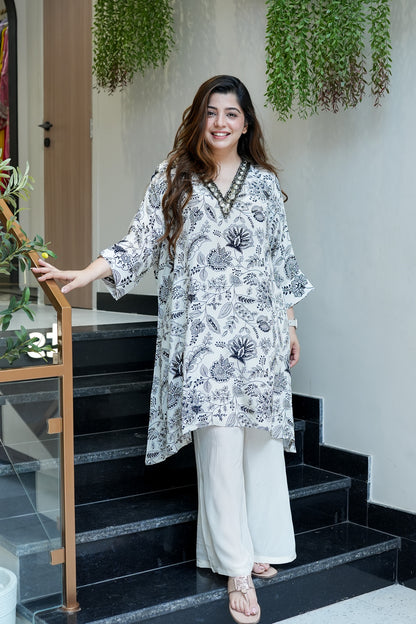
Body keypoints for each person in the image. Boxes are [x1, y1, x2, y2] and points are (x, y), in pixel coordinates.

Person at [34, 75, 313, 624]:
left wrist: (290, 324)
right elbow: (139, 240)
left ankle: (254, 547)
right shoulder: (174, 176)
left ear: (246, 124)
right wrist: (84, 273)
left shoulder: (263, 185)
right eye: (211, 112)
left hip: (259, 332)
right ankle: (236, 570)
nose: (220, 123)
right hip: (201, 336)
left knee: (257, 442)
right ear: (199, 117)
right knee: (219, 441)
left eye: (231, 114)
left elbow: (279, 261)